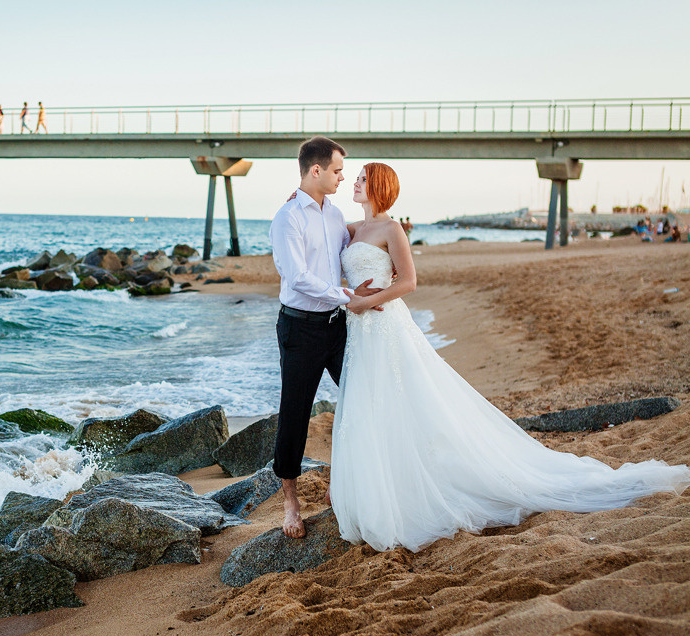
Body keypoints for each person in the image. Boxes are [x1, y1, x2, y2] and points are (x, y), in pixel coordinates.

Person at [329, 162, 690, 552]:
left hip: (385, 327)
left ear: (379, 185)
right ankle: (385, 484)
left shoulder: (391, 228)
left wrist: (367, 303)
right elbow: (319, 233)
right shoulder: (351, 229)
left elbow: (410, 281)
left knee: (407, 400)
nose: (354, 182)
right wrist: (302, 203)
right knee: (371, 406)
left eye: (363, 178)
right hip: (361, 333)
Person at [269, 136, 383, 539]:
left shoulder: (335, 216)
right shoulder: (287, 218)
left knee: (358, 398)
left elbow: (358, 245)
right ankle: (290, 503)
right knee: (295, 414)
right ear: (315, 170)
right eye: (337, 170)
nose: (342, 177)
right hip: (299, 328)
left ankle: (343, 482)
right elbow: (297, 278)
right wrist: (349, 296)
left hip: (337, 326)